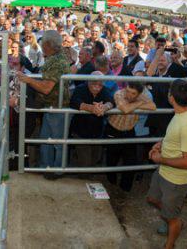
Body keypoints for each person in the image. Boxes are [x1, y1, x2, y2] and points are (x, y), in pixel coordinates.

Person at [146, 79, 187, 249]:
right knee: (152, 198)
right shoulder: (183, 112)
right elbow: (175, 138)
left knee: (172, 217)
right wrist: (162, 143)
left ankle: (170, 243)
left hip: (177, 180)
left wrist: (159, 158)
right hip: (165, 172)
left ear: (171, 98)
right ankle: (172, 216)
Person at [16, 30, 70, 180]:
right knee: (45, 139)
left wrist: (28, 80)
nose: (41, 46)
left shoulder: (57, 61)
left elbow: (46, 88)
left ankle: (57, 170)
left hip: (57, 107)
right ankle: (47, 168)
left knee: (57, 141)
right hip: (51, 106)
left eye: (43, 44)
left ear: (47, 45)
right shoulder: (55, 58)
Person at [106, 82, 156, 191]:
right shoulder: (119, 93)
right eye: (128, 90)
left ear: (139, 93)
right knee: (112, 159)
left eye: (133, 93)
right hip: (114, 130)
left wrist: (133, 105)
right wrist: (139, 104)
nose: (129, 94)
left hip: (129, 130)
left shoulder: (142, 95)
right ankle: (111, 184)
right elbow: (124, 109)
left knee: (130, 161)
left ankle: (125, 189)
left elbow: (153, 106)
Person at [69, 71, 114, 167]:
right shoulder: (80, 89)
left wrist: (104, 107)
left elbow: (111, 101)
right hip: (80, 131)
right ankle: (81, 177)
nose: (97, 87)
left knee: (96, 158)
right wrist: (91, 108)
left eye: (100, 85)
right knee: (85, 162)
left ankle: (86, 175)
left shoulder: (104, 90)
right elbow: (74, 101)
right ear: (88, 82)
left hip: (97, 132)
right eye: (94, 84)